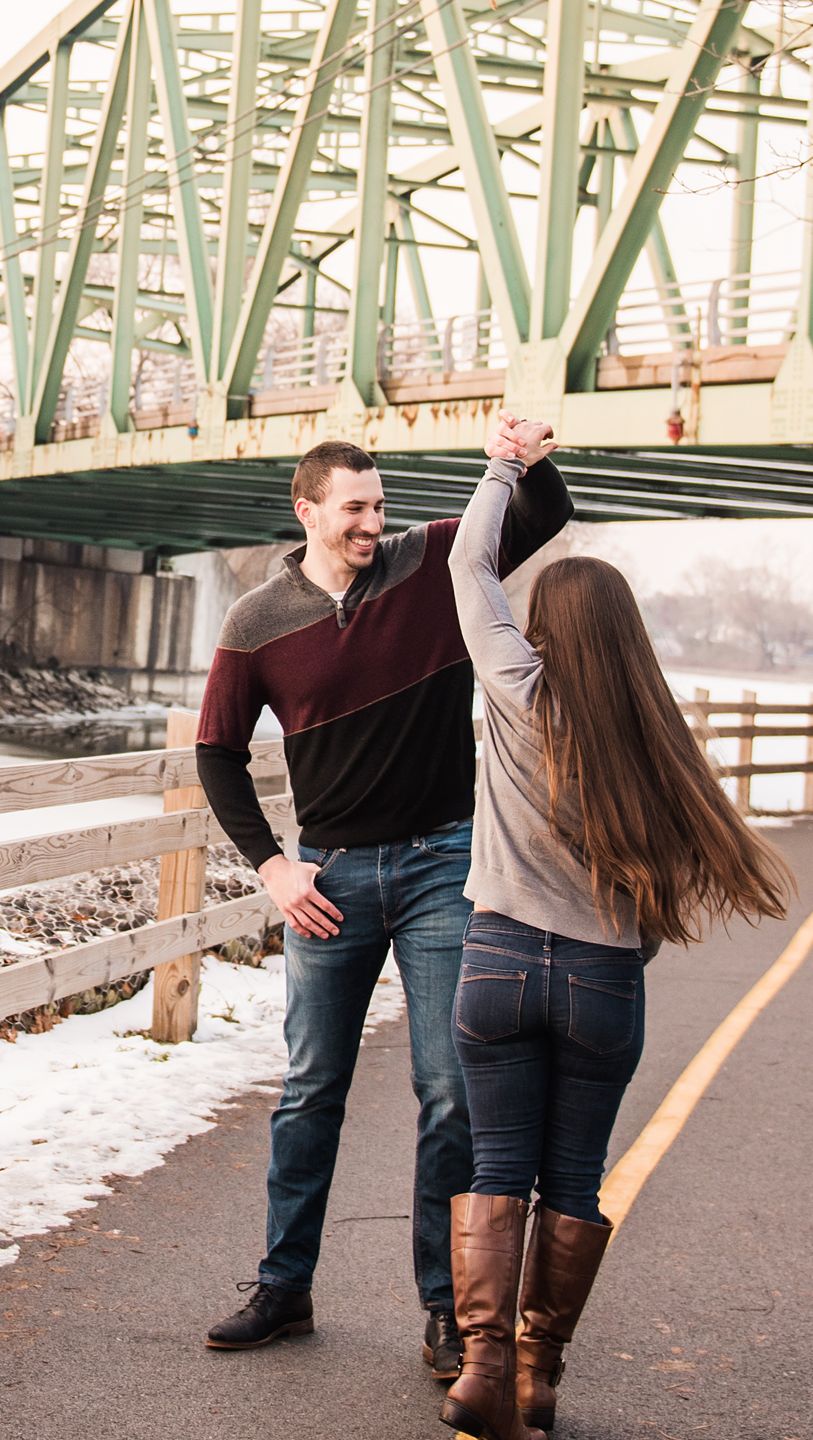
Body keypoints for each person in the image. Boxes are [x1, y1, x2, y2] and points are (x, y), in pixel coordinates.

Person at [440, 418, 794, 1440]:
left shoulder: (515, 689)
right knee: (572, 1178)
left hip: (495, 959)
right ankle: (537, 1378)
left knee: (496, 1161)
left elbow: (468, 561)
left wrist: (506, 463)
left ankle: (480, 1367)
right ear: (626, 636)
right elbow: (667, 878)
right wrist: (617, 954)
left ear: (544, 623)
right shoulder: (646, 731)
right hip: (599, 977)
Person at [195, 434, 573, 1372]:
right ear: (308, 512)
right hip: (327, 880)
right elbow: (216, 752)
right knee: (310, 1089)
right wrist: (271, 867)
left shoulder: (435, 567)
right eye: (353, 508)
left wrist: (526, 459)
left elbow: (542, 517)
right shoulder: (256, 621)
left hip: (445, 866)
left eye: (378, 505)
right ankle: (284, 1290)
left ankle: (447, 1310)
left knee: (449, 1092)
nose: (372, 523)